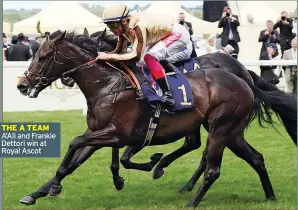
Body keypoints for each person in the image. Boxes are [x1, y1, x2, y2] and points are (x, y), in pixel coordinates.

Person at [96, 3, 193, 108]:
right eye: (108, 25)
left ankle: (168, 94)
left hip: (177, 34)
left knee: (149, 57)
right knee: (143, 62)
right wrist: (106, 55)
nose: (111, 29)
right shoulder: (124, 28)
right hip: (161, 34)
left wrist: (108, 57)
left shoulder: (138, 26)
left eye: (113, 25)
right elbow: (119, 50)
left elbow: (135, 56)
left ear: (124, 22)